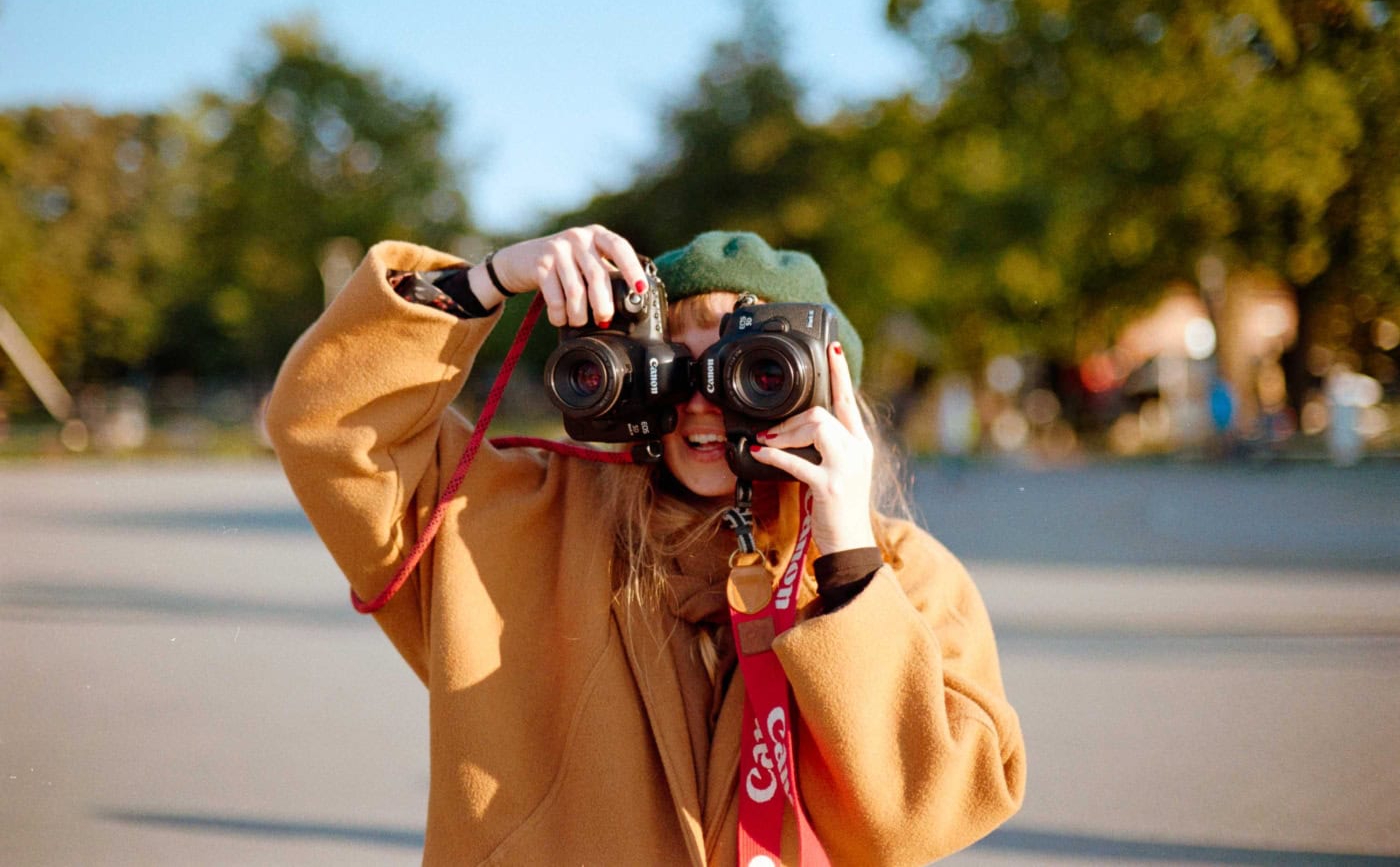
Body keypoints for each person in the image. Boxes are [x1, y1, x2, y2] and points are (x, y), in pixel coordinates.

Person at [265, 226, 1025, 865]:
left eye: (753, 370)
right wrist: (486, 280)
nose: (702, 398)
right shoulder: (510, 522)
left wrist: (848, 562)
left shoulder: (900, 575)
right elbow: (328, 422)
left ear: (825, 392)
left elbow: (922, 816)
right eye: (673, 366)